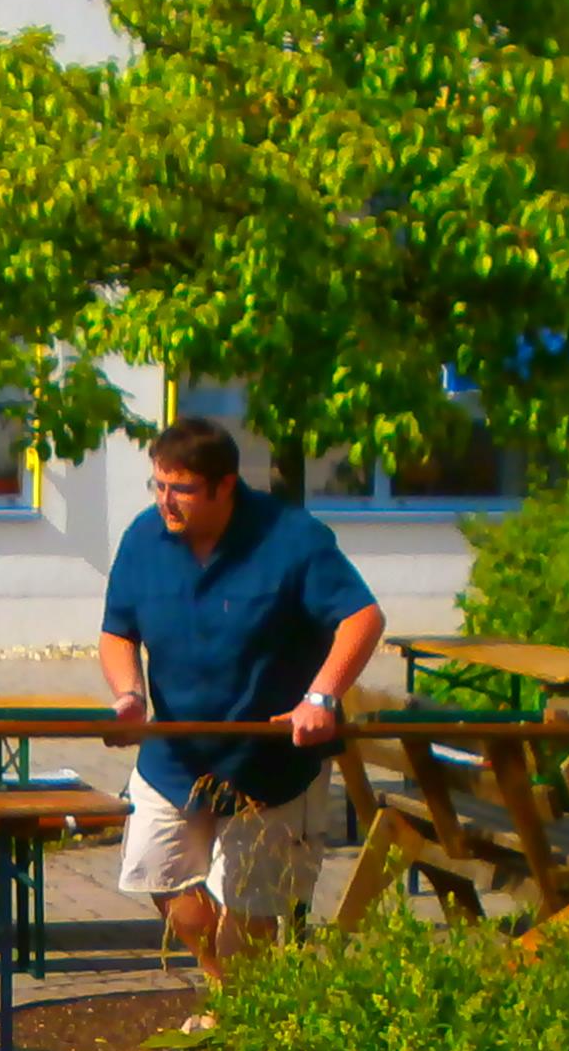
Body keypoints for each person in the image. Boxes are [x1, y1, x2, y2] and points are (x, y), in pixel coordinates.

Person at [99, 417, 387, 974]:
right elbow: (117, 631)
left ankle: (234, 1012)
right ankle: (229, 995)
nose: (165, 501)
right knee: (159, 875)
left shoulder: (292, 537)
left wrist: (322, 698)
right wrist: (129, 695)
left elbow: (362, 617)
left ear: (225, 485)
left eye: (181, 489)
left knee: (251, 907)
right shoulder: (143, 538)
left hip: (269, 760)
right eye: (158, 484)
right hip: (174, 755)